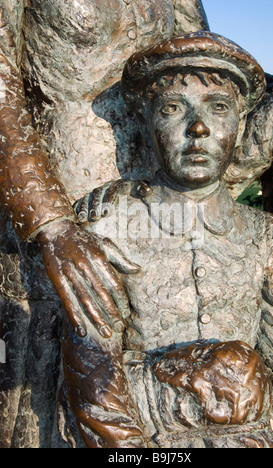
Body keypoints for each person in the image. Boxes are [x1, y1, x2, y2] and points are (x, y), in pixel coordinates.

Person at [70, 32, 273, 448]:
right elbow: (93, 375)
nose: (198, 128)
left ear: (242, 123)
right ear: (144, 120)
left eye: (219, 108)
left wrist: (269, 440)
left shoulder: (267, 239)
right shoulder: (108, 226)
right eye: (174, 109)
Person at [0, 0, 209, 447]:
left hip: (153, 220)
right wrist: (50, 222)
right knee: (42, 408)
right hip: (51, 224)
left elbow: (198, 69)